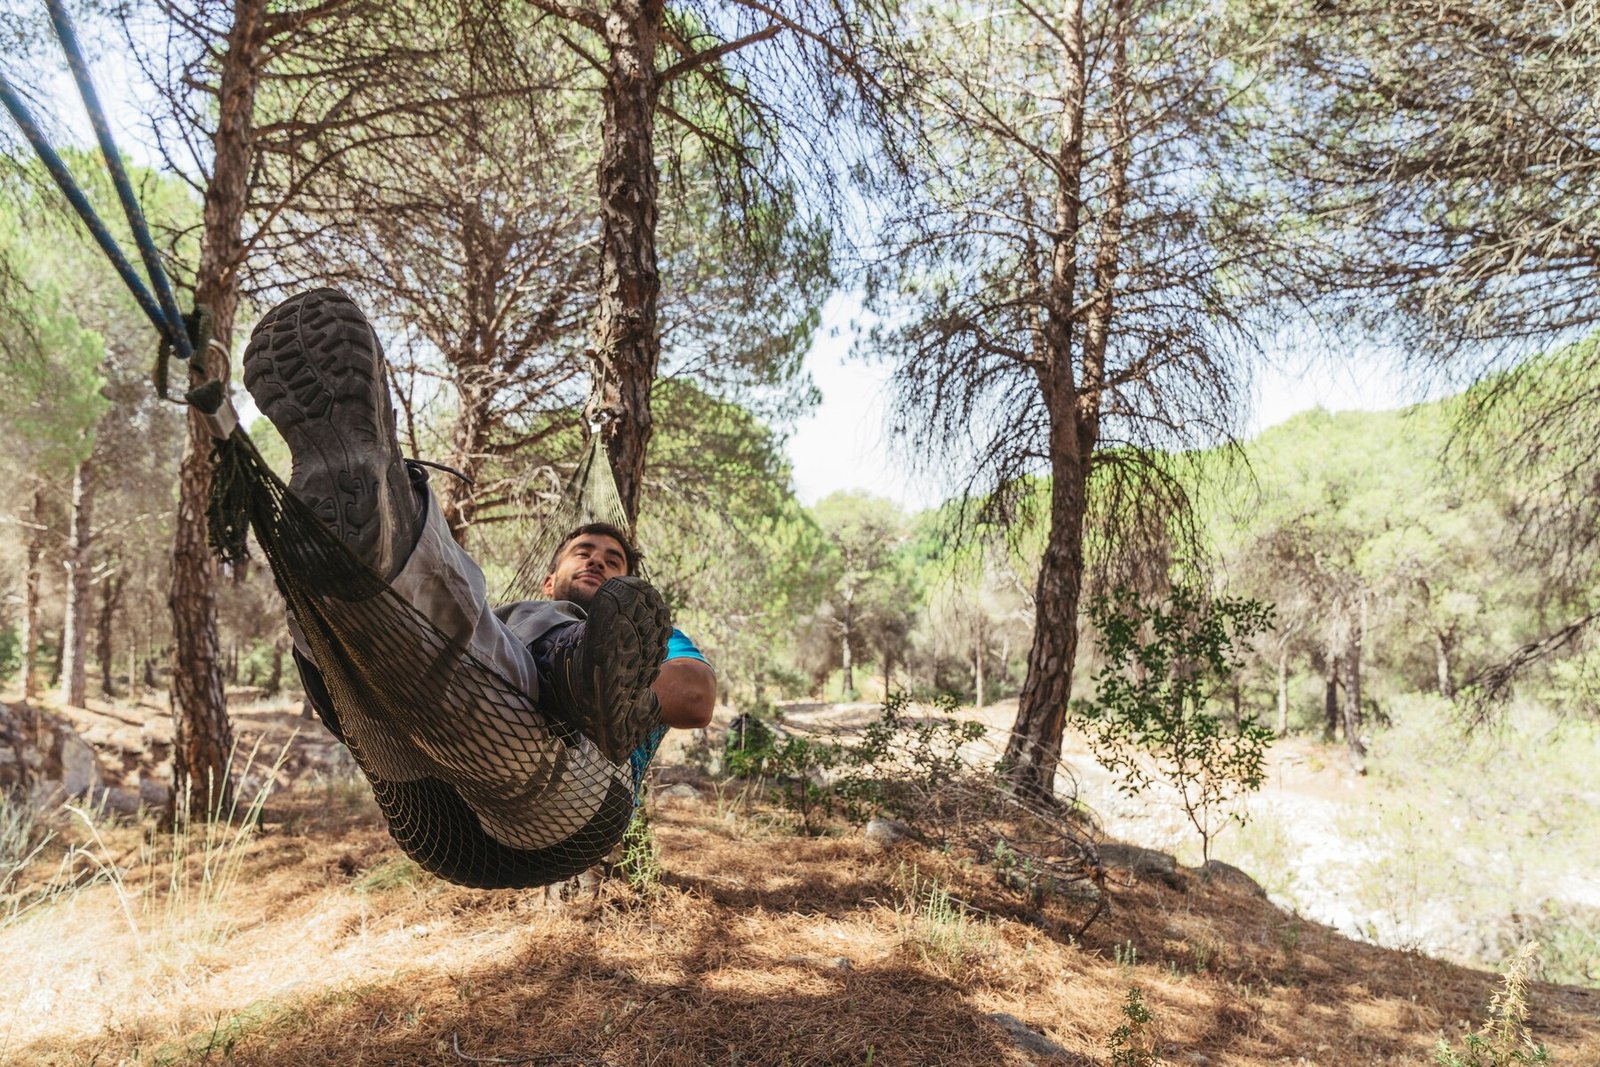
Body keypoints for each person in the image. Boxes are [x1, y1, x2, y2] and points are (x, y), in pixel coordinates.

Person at [244, 287, 714, 886]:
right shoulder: (523, 612)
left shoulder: (655, 638)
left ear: (630, 581)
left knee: (531, 632)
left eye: (614, 562)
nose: (597, 563)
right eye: (583, 554)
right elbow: (484, 631)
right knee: (473, 619)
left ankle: (572, 672)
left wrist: (632, 690)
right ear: (553, 575)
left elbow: (696, 700)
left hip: (570, 808)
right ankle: (354, 550)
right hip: (422, 789)